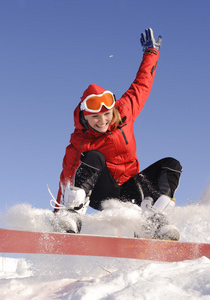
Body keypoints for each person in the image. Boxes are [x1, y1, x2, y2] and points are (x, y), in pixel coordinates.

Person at [50, 28, 182, 241]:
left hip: (132, 190)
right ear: (85, 117)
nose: (102, 121)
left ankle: (152, 223)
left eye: (106, 114)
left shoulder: (126, 110)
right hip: (102, 192)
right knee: (94, 156)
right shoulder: (79, 141)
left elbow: (142, 84)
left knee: (171, 164)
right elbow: (66, 179)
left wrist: (151, 53)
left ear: (113, 110)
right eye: (95, 118)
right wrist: (58, 216)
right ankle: (71, 217)